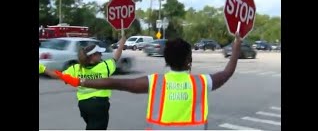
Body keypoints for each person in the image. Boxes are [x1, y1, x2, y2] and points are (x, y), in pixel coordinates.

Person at [55, 33, 241, 130]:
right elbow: (227, 72)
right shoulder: (202, 82)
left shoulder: (155, 82)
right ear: (188, 60)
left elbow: (115, 83)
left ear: (166, 60)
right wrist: (236, 47)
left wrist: (82, 82)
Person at [45, 36, 126, 130]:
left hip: (84, 105)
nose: (101, 55)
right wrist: (122, 44)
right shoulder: (105, 66)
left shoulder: (76, 68)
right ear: (92, 56)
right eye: (99, 53)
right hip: (99, 104)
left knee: (92, 126)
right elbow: (116, 57)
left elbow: (58, 75)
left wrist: (44, 69)